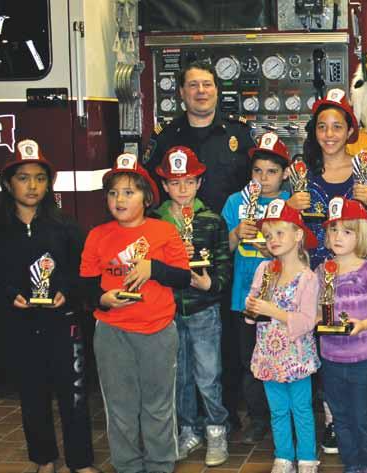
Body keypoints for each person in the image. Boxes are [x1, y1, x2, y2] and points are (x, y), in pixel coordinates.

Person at [0, 140, 98, 473]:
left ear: (49, 184)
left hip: (64, 323)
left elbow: (84, 271)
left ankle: (80, 462)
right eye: (23, 178)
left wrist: (67, 291)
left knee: (74, 396)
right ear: (8, 184)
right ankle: (43, 458)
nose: (32, 185)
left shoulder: (66, 226)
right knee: (32, 395)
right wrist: (8, 294)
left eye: (39, 178)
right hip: (20, 326)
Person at [80, 153, 190, 473]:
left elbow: (183, 277)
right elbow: (85, 287)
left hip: (157, 330)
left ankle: (160, 464)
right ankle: (127, 465)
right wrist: (103, 299)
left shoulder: (164, 231)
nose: (119, 199)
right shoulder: (97, 235)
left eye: (129, 192)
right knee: (120, 406)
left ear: (147, 197)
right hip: (112, 332)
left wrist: (153, 268)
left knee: (158, 405)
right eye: (113, 193)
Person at [153, 146, 231, 466]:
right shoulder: (154, 222)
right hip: (166, 311)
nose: (182, 189)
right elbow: (147, 265)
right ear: (164, 185)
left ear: (199, 183)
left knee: (208, 375)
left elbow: (224, 266)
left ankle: (216, 430)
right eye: (175, 182)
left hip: (203, 309)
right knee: (179, 376)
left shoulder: (211, 221)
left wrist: (211, 284)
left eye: (189, 181)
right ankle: (188, 429)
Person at [221, 132, 294, 444]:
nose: (264, 178)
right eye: (258, 171)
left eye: (272, 171)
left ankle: (286, 415)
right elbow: (221, 249)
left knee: (284, 357)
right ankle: (257, 417)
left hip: (281, 300)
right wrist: (237, 233)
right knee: (250, 360)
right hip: (244, 297)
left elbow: (299, 250)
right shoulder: (235, 202)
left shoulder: (288, 204)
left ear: (285, 174)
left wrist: (272, 248)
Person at [318, 197, 367, 473]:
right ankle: (351, 464)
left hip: (363, 359)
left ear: (361, 235)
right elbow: (316, 310)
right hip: (330, 357)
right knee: (340, 416)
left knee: (362, 416)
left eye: (347, 231)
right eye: (333, 229)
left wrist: (363, 324)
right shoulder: (321, 271)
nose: (338, 236)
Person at [245, 200, 321, 473]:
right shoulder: (264, 270)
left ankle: (307, 458)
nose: (273, 240)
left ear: (298, 235)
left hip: (296, 356)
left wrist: (272, 311)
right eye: (268, 235)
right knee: (277, 410)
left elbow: (307, 321)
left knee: (301, 409)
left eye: (279, 233)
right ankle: (283, 456)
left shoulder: (307, 278)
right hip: (268, 355)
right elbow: (252, 310)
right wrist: (251, 307)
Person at [298, 88, 367, 270]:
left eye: (337, 127)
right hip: (313, 274)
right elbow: (291, 230)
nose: (329, 134)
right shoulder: (303, 175)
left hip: (359, 276)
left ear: (349, 131)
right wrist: (290, 208)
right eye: (322, 127)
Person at [143, 60, 252, 214]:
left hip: (232, 225)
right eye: (193, 85)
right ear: (182, 92)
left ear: (216, 90)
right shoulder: (165, 135)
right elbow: (148, 187)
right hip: (177, 225)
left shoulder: (240, 132)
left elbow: (258, 182)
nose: (201, 90)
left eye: (207, 84)